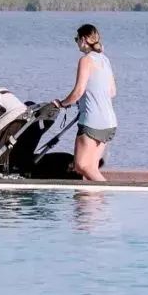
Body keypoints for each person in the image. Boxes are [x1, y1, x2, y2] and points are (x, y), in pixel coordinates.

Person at [55, 24, 117, 183]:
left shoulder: (86, 60)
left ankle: (107, 191)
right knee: (92, 167)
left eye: (76, 39)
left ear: (83, 40)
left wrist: (62, 104)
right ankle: (92, 206)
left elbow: (78, 91)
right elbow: (112, 92)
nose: (76, 43)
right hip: (109, 122)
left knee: (81, 166)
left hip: (92, 121)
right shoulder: (105, 59)